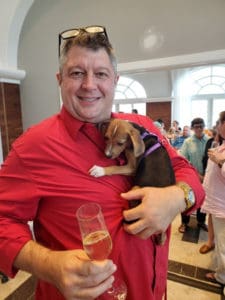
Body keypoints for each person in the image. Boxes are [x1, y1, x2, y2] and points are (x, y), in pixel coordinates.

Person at [0, 26, 205, 300]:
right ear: (60, 80)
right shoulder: (32, 147)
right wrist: (48, 265)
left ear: (115, 80)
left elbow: (187, 173)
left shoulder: (144, 128)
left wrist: (177, 197)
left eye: (101, 74)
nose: (89, 84)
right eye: (76, 73)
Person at [200, 111, 225, 284]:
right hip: (217, 203)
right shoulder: (221, 143)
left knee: (224, 245)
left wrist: (220, 161)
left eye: (219, 122)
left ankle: (222, 277)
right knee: (221, 242)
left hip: (223, 206)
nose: (217, 126)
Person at [178, 117, 209, 233]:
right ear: (192, 128)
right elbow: (184, 160)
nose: (199, 129)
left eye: (201, 126)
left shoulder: (209, 141)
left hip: (207, 177)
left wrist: (205, 176)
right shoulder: (188, 142)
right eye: (196, 127)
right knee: (188, 199)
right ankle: (184, 223)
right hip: (192, 176)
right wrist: (197, 175)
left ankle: (201, 221)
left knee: (203, 200)